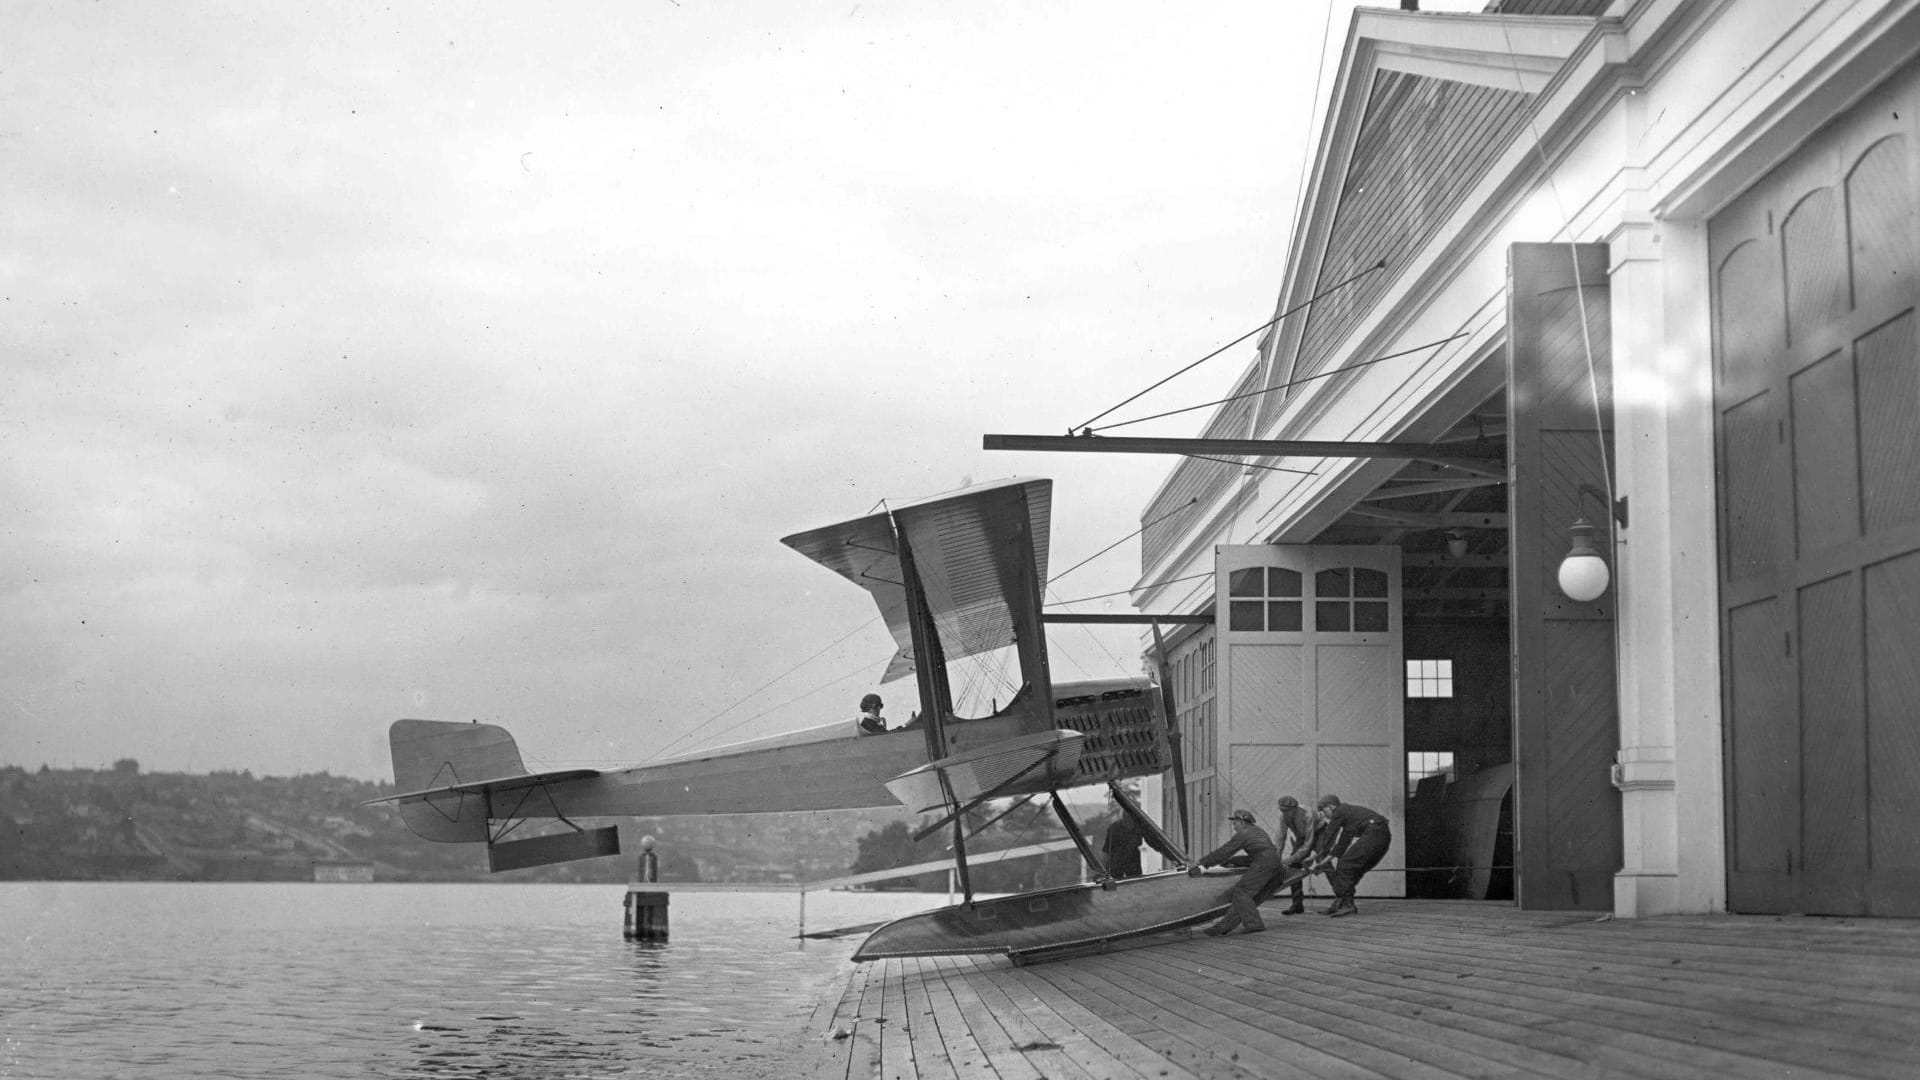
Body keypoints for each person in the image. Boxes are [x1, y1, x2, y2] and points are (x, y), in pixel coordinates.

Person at [1189, 808, 1287, 935]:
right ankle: (1223, 927)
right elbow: (1261, 853)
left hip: (1265, 864)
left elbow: (1224, 851)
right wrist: (1233, 861)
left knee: (1241, 892)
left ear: (1242, 822)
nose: (1234, 827)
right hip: (1276, 867)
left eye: (1235, 824)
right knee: (1245, 899)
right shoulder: (1258, 831)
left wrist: (1201, 862)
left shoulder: (1244, 833)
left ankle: (1254, 925)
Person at [1311, 794, 1392, 917]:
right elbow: (1341, 846)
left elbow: (1329, 834)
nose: (1323, 814)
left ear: (1331, 806)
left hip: (1375, 833)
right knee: (1352, 868)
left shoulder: (1340, 811)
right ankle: (1342, 902)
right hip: (1382, 836)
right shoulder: (1349, 818)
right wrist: (1323, 863)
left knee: (1345, 864)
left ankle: (1348, 905)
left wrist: (1317, 855)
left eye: (1323, 810)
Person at [1100, 785, 1175, 879]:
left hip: (1133, 862)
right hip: (1116, 863)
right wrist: (1101, 872)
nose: (1129, 818)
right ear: (1123, 815)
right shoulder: (1114, 828)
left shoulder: (1140, 826)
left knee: (1136, 884)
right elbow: (1106, 851)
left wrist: (1173, 858)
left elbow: (1155, 843)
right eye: (1126, 815)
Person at [1270, 795, 1318, 916]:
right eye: (1282, 810)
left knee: (1324, 862)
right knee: (1293, 867)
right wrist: (1276, 859)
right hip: (1302, 837)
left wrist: (1292, 858)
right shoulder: (1283, 816)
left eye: (1287, 811)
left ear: (1295, 809)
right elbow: (1280, 838)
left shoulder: (1308, 815)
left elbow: (1309, 843)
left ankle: (1343, 901)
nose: (1284, 813)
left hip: (1319, 832)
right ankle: (1297, 905)